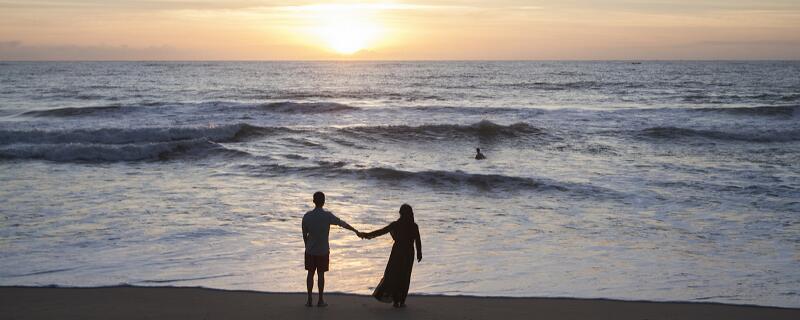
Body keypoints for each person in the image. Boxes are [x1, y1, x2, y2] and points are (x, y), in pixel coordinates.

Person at [302, 191, 360, 307]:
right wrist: (355, 231)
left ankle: (309, 300)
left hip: (310, 250)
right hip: (323, 250)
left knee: (310, 274)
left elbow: (304, 235)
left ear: (313, 201)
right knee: (321, 275)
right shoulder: (327, 216)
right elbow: (342, 223)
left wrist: (307, 246)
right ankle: (320, 300)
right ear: (324, 202)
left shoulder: (307, 216)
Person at [358, 204, 422, 308]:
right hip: (408, 253)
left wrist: (366, 235)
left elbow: (380, 232)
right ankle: (402, 301)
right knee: (405, 276)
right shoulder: (414, 226)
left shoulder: (396, 224)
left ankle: (396, 301)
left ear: (400, 213)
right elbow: (417, 241)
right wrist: (419, 253)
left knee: (394, 275)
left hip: (397, 252)